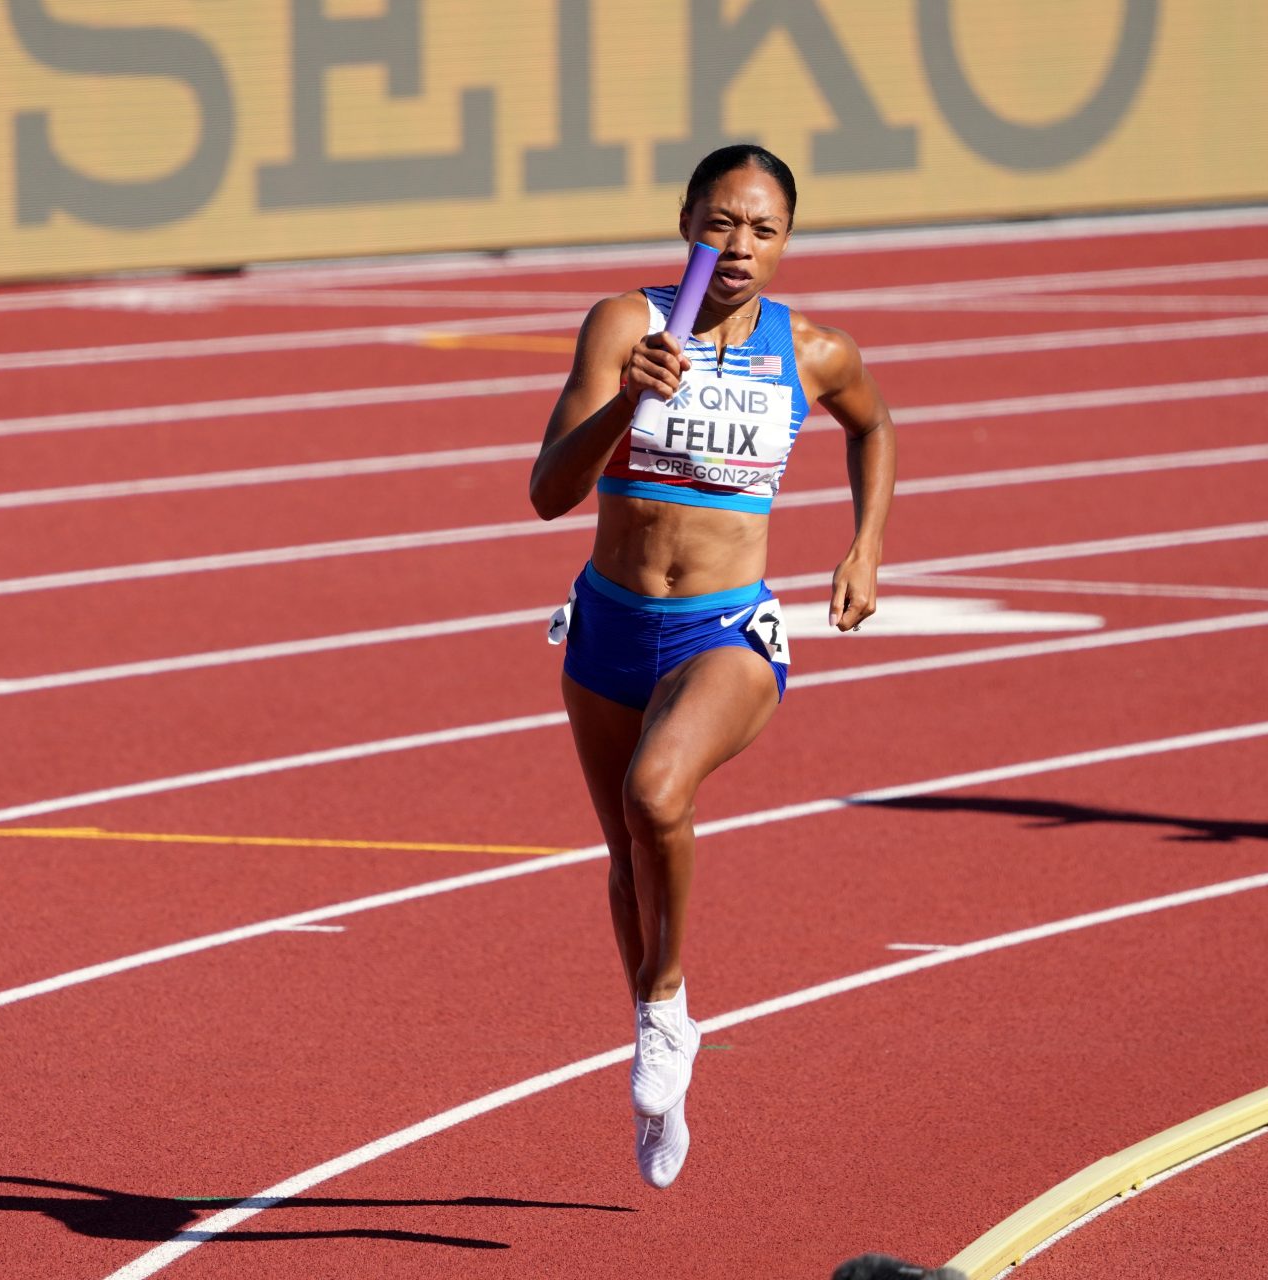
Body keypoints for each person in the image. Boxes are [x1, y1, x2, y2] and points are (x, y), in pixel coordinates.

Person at [529, 143, 896, 1187]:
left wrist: (865, 544)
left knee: (658, 790)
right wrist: (625, 401)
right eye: (722, 221)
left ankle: (664, 1002)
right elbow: (549, 491)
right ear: (686, 217)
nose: (738, 246)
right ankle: (663, 1047)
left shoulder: (814, 350)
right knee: (624, 857)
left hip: (724, 628)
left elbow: (873, 425)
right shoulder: (623, 323)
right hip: (607, 623)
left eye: (764, 229)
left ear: (789, 243)